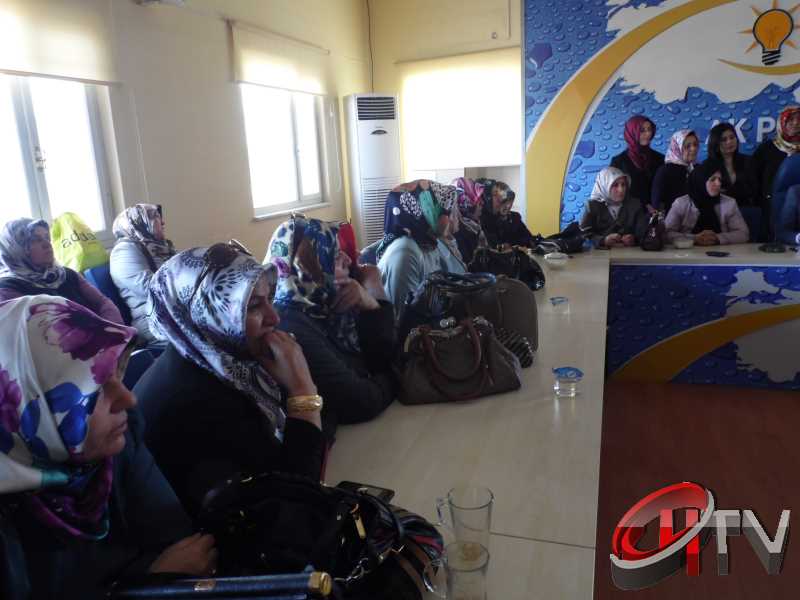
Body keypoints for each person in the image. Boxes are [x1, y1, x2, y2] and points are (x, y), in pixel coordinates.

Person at [0, 295, 216, 600]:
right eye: (96, 389)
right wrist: (154, 584)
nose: (128, 399)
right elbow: (176, 566)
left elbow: (177, 539)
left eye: (118, 373)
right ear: (29, 404)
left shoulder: (114, 443)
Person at [134, 243, 326, 517]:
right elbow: (293, 504)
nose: (274, 317)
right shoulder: (196, 402)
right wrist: (302, 390)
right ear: (204, 311)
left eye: (269, 299)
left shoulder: (218, 362)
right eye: (253, 305)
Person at [265, 217, 396, 429]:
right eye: (335, 255)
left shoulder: (325, 305)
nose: (348, 259)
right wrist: (394, 376)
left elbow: (382, 357)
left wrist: (372, 306)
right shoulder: (290, 325)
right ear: (309, 269)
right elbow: (361, 401)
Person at [0, 219, 122, 324]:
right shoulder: (8, 289)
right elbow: (34, 334)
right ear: (16, 249)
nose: (47, 244)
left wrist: (114, 332)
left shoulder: (65, 274)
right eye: (36, 240)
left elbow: (103, 303)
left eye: (47, 237)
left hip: (102, 337)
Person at [376, 180, 465, 312]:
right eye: (449, 211)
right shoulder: (405, 254)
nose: (456, 216)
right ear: (427, 211)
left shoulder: (428, 241)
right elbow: (404, 317)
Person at [110, 204, 177, 343]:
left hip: (176, 309)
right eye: (155, 217)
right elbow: (151, 288)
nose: (163, 222)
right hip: (153, 318)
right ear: (139, 222)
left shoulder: (162, 247)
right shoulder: (124, 251)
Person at [664, 159, 749, 246]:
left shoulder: (729, 203)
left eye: (720, 179)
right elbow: (665, 233)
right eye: (713, 179)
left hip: (721, 251)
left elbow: (743, 234)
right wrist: (695, 238)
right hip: (687, 251)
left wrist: (717, 238)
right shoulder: (681, 203)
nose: (718, 184)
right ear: (700, 181)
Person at [750, 106, 800, 238]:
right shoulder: (767, 148)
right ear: (782, 122)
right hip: (769, 208)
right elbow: (753, 177)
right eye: (790, 120)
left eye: (799, 119)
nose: (795, 123)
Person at [579, 167, 647, 248]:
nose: (621, 190)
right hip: (599, 254)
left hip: (630, 254)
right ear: (604, 185)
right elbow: (583, 234)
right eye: (615, 185)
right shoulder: (592, 206)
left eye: (623, 185)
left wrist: (634, 239)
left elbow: (644, 233)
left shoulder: (634, 205)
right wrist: (602, 240)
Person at [610, 115, 665, 211]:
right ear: (632, 133)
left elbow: (664, 188)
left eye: (649, 129)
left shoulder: (660, 159)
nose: (648, 134)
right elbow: (614, 193)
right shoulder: (618, 162)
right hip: (630, 214)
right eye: (642, 130)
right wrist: (643, 206)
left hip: (657, 214)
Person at [651, 129, 699, 214]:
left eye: (695, 144)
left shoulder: (698, 168)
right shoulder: (665, 171)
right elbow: (657, 205)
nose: (693, 148)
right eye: (687, 146)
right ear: (677, 148)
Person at [478, 179, 536, 248]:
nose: (508, 206)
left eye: (511, 202)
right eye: (505, 201)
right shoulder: (483, 220)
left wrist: (512, 245)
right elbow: (495, 245)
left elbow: (529, 239)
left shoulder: (515, 217)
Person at [451, 177, 488, 265]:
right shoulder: (459, 233)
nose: (482, 203)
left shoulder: (474, 226)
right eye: (478, 201)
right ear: (467, 204)